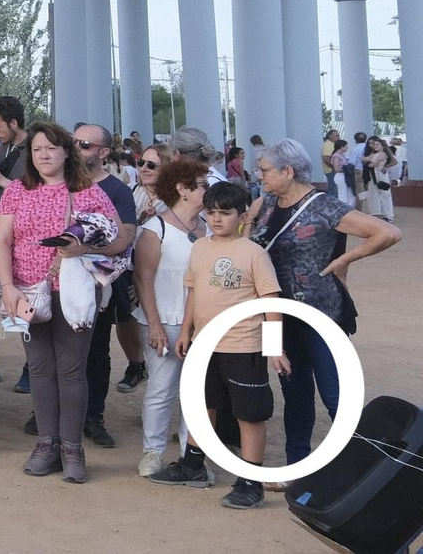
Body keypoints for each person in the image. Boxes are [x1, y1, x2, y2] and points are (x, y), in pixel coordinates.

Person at [247, 138, 400, 464]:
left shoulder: (325, 205)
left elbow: (387, 233)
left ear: (288, 171)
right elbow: (249, 250)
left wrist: (345, 260)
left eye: (264, 170)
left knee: (335, 395)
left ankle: (364, 468)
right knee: (295, 394)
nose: (259, 176)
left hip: (323, 314)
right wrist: (249, 218)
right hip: (277, 314)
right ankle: (296, 466)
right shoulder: (267, 204)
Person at [0, 122, 120, 484]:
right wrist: (7, 287)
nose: (44, 155)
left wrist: (84, 247)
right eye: (37, 149)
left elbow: (117, 240)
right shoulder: (18, 190)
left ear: (67, 151)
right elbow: (1, 241)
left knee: (70, 369)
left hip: (74, 291)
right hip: (26, 291)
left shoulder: (88, 191)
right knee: (38, 368)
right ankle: (46, 444)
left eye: (51, 148)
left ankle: (72, 449)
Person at [149, 181, 285, 509]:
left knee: (249, 414)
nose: (217, 219)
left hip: (243, 346)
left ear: (241, 215)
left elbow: (271, 302)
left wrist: (274, 347)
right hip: (203, 343)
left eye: (225, 213)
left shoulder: (253, 253)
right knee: (203, 406)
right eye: (210, 212)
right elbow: (194, 293)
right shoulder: (201, 248)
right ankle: (193, 466)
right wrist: (185, 333)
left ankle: (250, 481)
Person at [133, 153, 208, 479]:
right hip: (164, 320)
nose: (208, 190)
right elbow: (143, 279)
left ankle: (190, 455)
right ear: (183, 189)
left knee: (196, 391)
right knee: (161, 389)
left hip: (201, 324)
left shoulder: (209, 227)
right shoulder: (155, 229)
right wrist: (154, 324)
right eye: (203, 185)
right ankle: (153, 451)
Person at [72, 123, 141, 450]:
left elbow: (124, 238)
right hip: (57, 280)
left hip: (98, 282)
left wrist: (83, 251)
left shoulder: (118, 190)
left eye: (84, 144)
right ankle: (56, 412)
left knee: (95, 350)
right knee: (58, 349)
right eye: (73, 142)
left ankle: (93, 417)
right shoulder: (58, 183)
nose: (77, 148)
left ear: (103, 152)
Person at [357, 135, 396, 222]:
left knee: (385, 194)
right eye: (374, 144)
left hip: (381, 175)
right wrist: (371, 160)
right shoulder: (374, 154)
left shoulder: (383, 154)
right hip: (374, 175)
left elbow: (373, 163)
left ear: (382, 146)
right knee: (375, 194)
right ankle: (379, 213)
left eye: (377, 144)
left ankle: (388, 215)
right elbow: (363, 159)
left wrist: (372, 161)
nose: (374, 146)